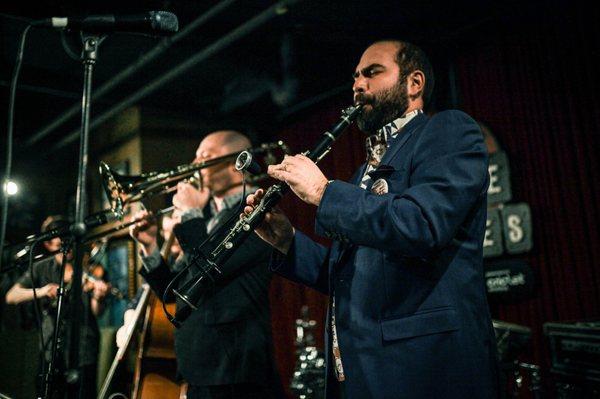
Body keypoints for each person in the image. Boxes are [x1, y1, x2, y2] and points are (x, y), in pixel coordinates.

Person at [245, 40, 499, 398]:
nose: (357, 84)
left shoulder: (448, 131)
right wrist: (287, 240)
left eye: (372, 72)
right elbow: (347, 273)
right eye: (355, 76)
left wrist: (323, 192)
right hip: (364, 372)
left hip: (423, 371)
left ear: (414, 83)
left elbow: (421, 225)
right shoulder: (364, 170)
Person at [130, 130, 283, 399]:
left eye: (206, 156)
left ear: (237, 163)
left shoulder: (257, 213)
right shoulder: (206, 218)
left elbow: (212, 268)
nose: (194, 164)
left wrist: (190, 215)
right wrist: (150, 246)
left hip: (234, 367)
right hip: (198, 366)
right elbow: (173, 290)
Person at [5, 215, 109, 398]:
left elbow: (96, 312)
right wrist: (43, 291)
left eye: (68, 244)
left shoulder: (90, 268)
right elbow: (11, 296)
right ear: (48, 246)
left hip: (84, 349)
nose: (66, 251)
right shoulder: (41, 267)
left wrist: (99, 298)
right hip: (50, 348)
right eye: (59, 246)